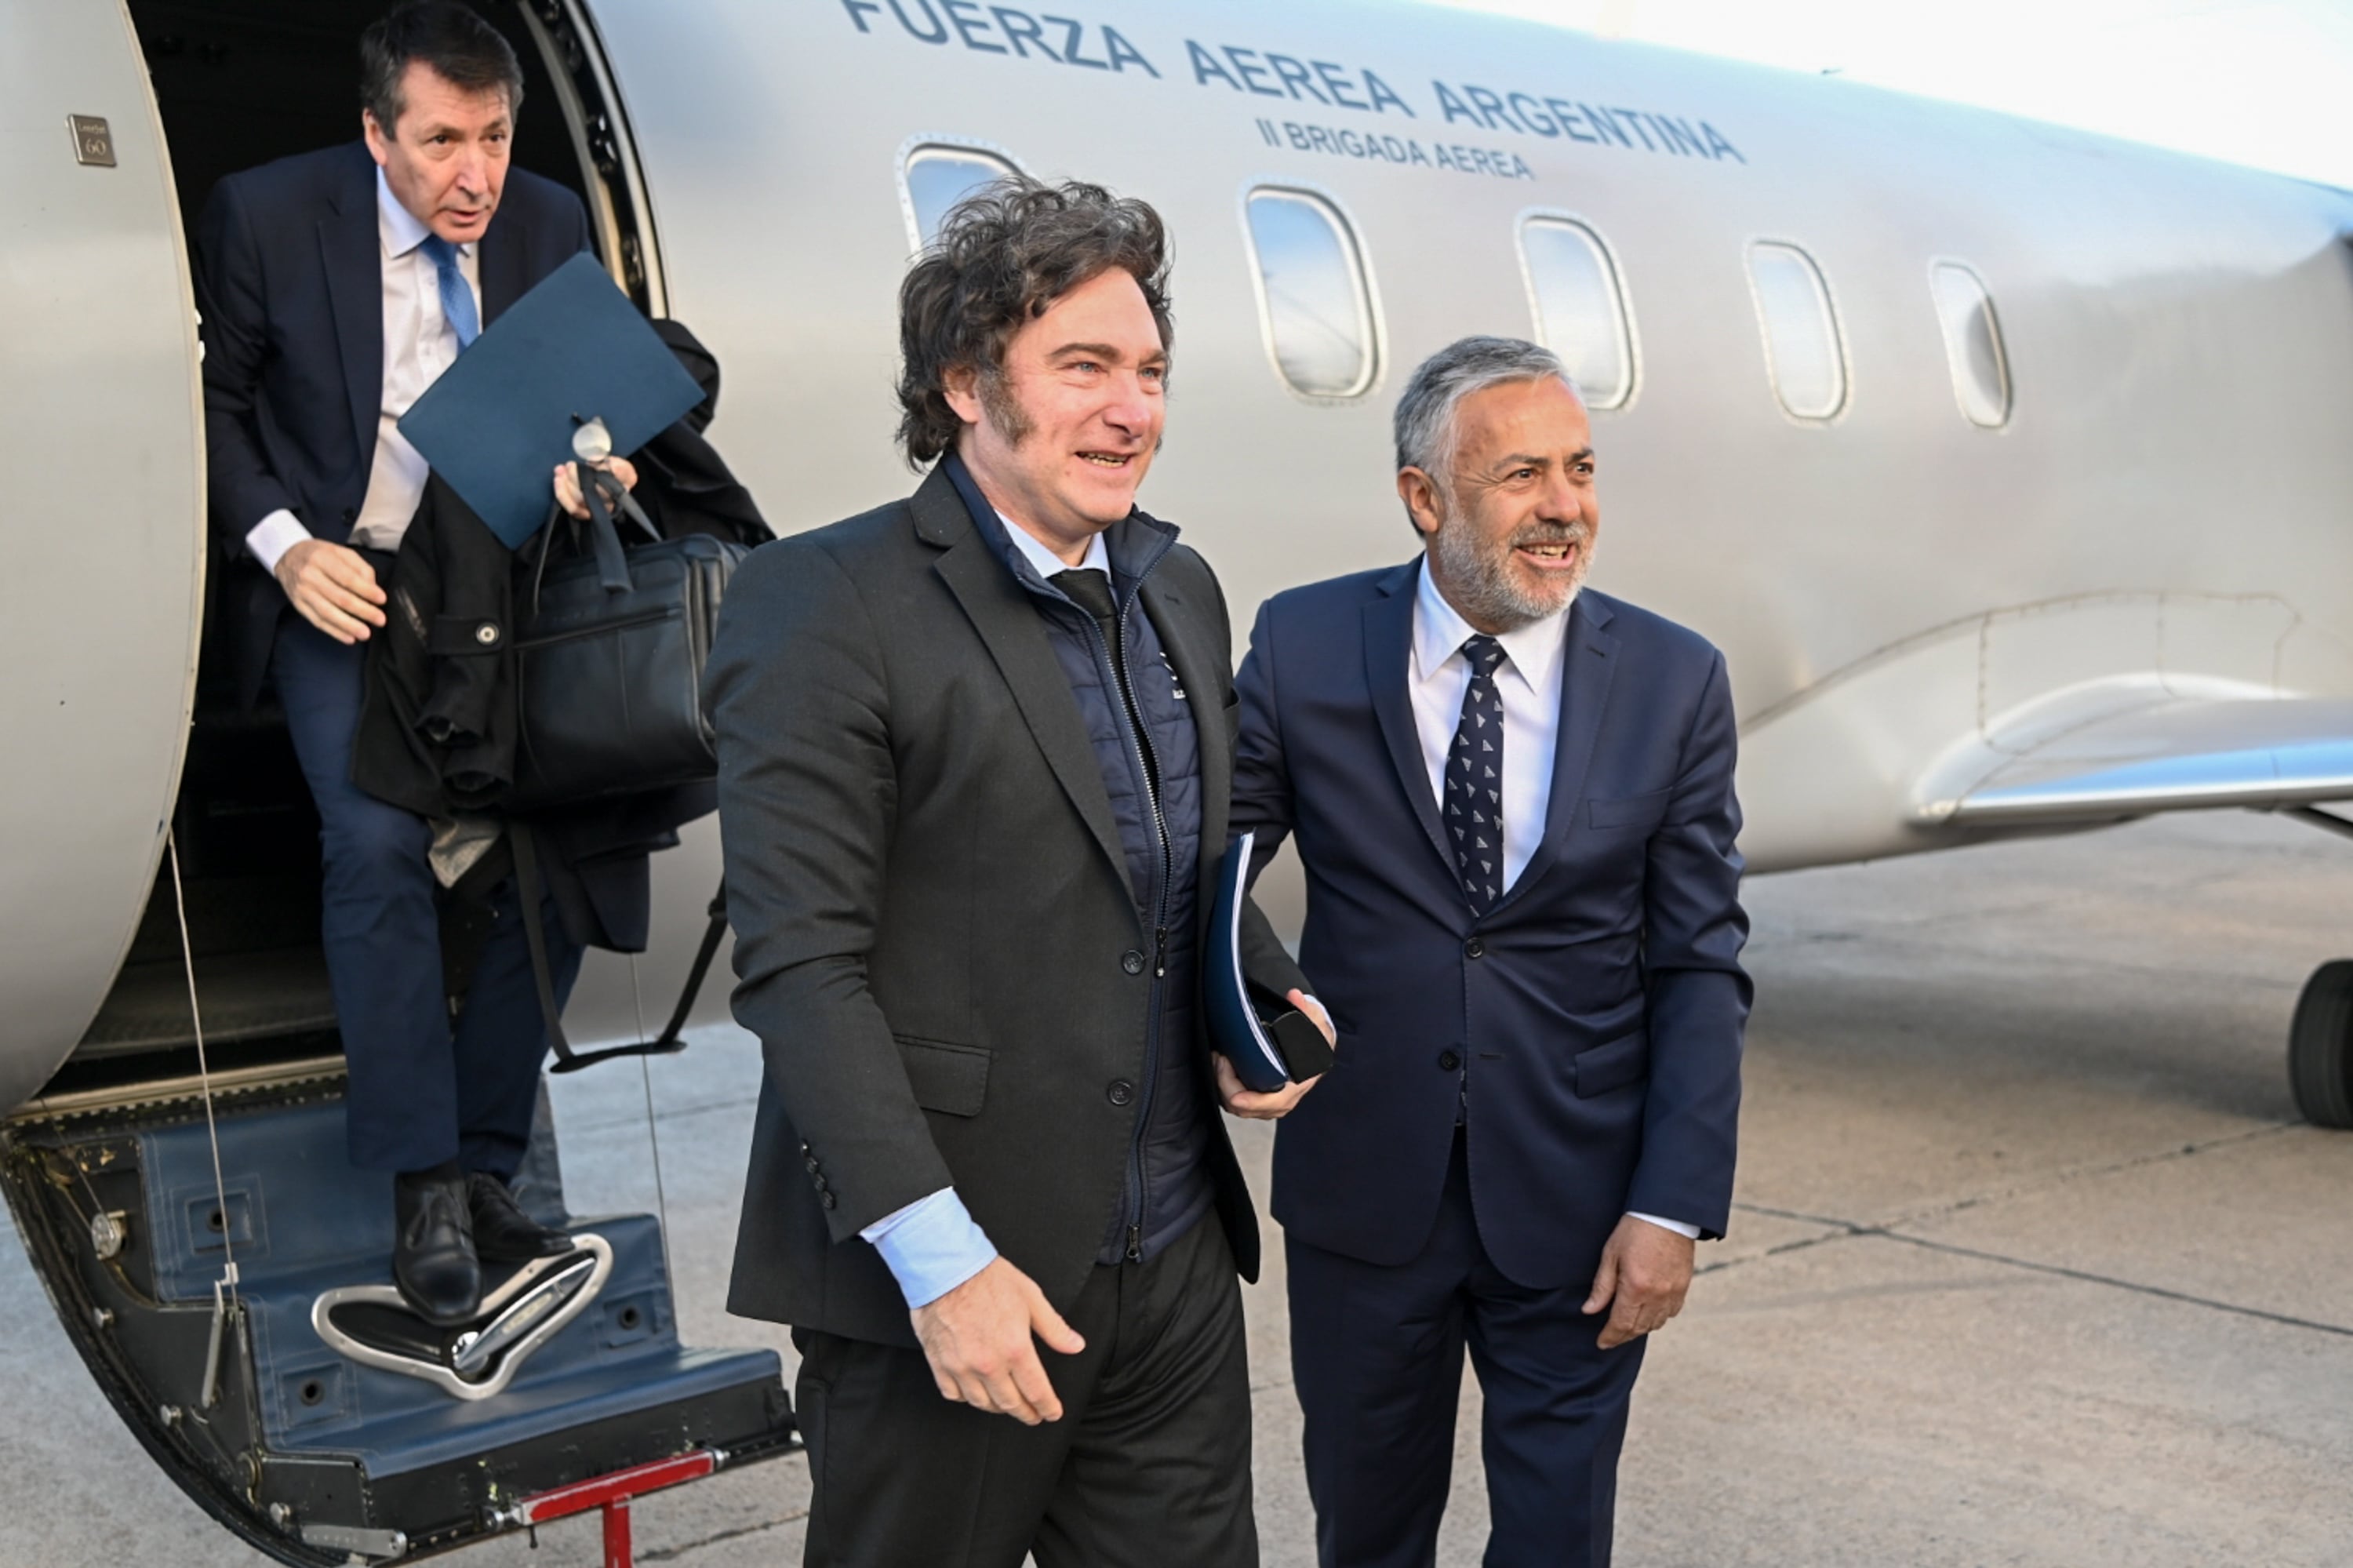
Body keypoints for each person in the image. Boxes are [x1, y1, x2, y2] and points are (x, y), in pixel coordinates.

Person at [707, 178, 1329, 1568]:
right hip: (954, 1288)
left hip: (1169, 1267)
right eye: (1085, 369)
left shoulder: (1178, 588)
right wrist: (945, 1269)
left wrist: (1254, 995)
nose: (1133, 410)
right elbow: (802, 968)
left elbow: (1165, 862)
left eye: (1151, 371)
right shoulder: (825, 604)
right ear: (969, 384)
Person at [1231, 336, 1750, 1567]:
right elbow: (1214, 876)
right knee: (1366, 1532)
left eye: (1579, 469)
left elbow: (1698, 965)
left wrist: (1671, 1205)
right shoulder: (1304, 648)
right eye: (1522, 476)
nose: (1565, 508)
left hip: (1579, 1204)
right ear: (1425, 499)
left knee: (1558, 1541)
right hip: (1365, 1189)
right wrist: (1238, 1017)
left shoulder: (1676, 680)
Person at [195, 1, 629, 1325]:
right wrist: (280, 546)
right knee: (377, 846)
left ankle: (493, 1164)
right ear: (377, 133)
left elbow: (606, 394)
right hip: (346, 580)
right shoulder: (268, 216)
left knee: (570, 842)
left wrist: (593, 457)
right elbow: (210, 400)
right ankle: (425, 1185)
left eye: (493, 137)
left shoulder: (548, 223)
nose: (475, 175)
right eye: (442, 140)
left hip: (495, 589)